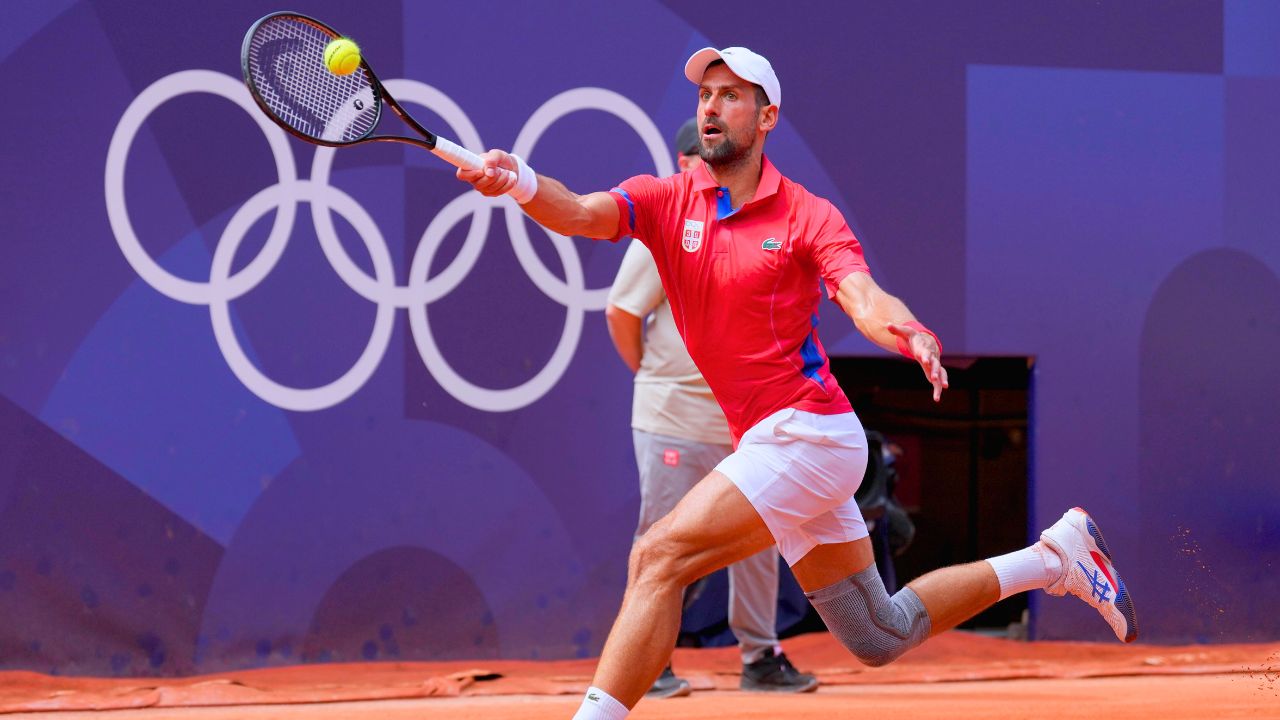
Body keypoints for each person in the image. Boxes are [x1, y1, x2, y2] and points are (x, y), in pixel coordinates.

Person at [456, 46, 1138, 720]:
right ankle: (1056, 558)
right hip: (772, 440)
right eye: (704, 95)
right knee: (879, 632)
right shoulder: (664, 201)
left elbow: (863, 297)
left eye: (730, 95)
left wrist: (910, 332)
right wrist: (517, 179)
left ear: (767, 115)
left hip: (808, 432)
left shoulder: (808, 215)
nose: (712, 107)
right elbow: (577, 211)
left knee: (658, 555)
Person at [604, 117, 816, 697]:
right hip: (673, 416)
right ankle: (650, 660)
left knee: (758, 535)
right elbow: (621, 313)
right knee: (660, 539)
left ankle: (760, 656)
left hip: (744, 418)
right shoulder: (666, 227)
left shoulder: (748, 226)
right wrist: (653, 373)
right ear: (681, 163)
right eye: (699, 160)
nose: (711, 171)